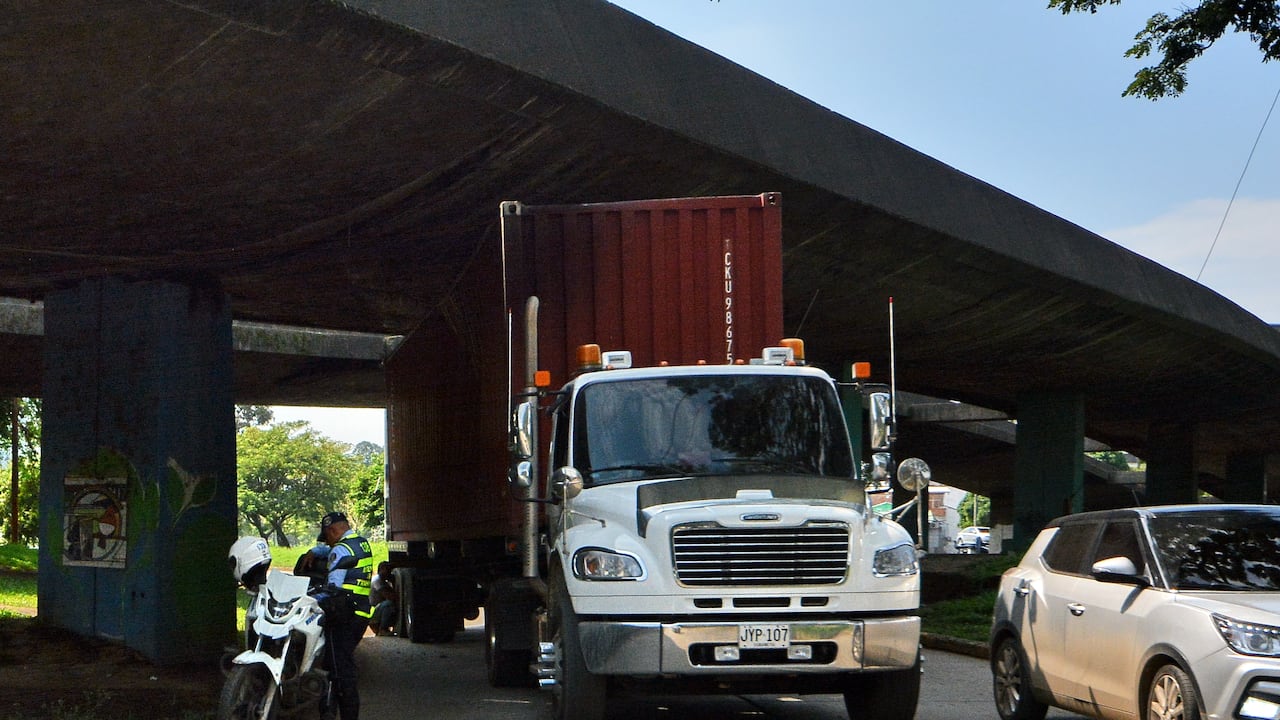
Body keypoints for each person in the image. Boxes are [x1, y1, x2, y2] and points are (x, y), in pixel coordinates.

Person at [314, 511, 373, 720]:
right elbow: (332, 551)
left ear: (332, 531)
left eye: (327, 538)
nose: (327, 543)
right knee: (336, 664)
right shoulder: (361, 543)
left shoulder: (340, 550)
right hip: (360, 612)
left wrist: (310, 598)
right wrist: (316, 550)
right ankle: (329, 712)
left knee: (340, 671)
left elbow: (333, 587)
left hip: (343, 615)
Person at [367, 561, 398, 636]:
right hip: (375, 610)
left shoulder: (385, 581)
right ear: (381, 569)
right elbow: (389, 596)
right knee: (389, 604)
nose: (389, 572)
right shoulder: (377, 580)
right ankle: (383, 629)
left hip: (379, 608)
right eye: (387, 569)